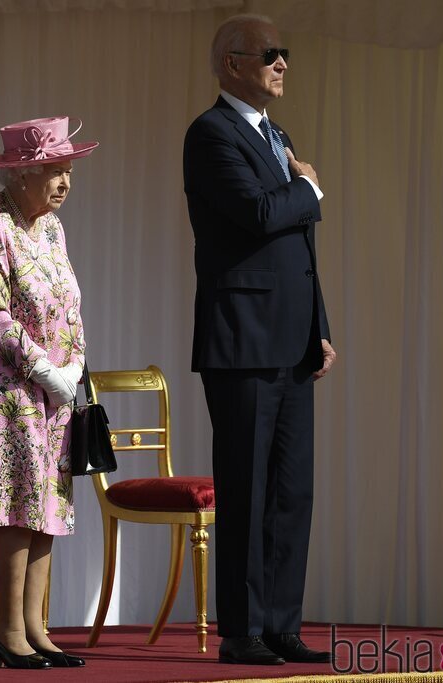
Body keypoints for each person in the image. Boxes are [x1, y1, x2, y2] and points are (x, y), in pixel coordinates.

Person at [182, 15, 337, 666]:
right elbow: (260, 215)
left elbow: (298, 244)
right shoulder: (210, 134)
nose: (281, 64)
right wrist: (308, 186)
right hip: (243, 339)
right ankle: (242, 631)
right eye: (268, 54)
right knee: (245, 488)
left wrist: (320, 326)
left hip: (293, 339)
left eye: (285, 54)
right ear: (231, 65)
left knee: (292, 490)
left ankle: (280, 624)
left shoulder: (279, 136)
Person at [0, 117, 96, 669]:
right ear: (19, 174)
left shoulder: (52, 229)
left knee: (48, 508)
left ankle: (37, 626)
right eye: (53, 172)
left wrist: (76, 363)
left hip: (55, 392)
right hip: (7, 389)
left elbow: (70, 302)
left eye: (67, 172)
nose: (65, 183)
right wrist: (42, 367)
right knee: (16, 507)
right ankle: (6, 631)